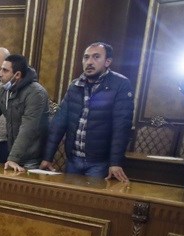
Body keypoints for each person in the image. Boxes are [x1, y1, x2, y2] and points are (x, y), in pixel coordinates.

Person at [41, 42, 134, 182]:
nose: (89, 62)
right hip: (73, 159)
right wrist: (47, 157)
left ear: (107, 62)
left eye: (96, 57)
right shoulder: (75, 85)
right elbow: (58, 124)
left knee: (90, 195)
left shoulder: (120, 84)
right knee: (68, 194)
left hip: (100, 162)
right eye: (86, 57)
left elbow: (121, 128)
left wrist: (115, 163)